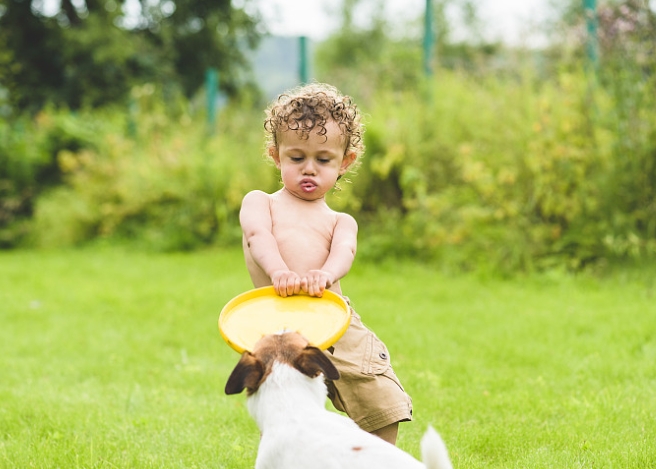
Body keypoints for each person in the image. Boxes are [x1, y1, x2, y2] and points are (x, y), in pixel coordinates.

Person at [239, 83, 412, 445]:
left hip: (334, 320)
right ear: (276, 155)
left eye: (323, 159)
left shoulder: (340, 222)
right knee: (287, 415)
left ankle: (378, 460)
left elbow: (344, 253)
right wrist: (279, 272)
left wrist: (326, 274)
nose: (309, 169)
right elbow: (259, 238)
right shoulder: (260, 203)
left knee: (379, 398)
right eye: (296, 158)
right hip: (279, 329)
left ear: (344, 162)